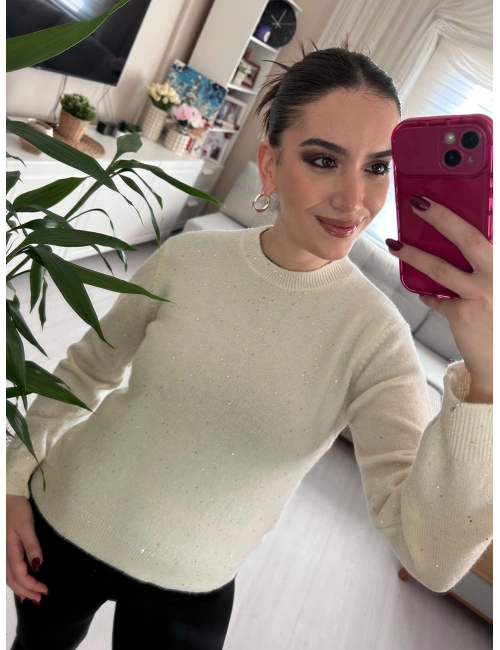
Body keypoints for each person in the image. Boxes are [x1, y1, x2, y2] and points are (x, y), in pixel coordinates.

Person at [6, 39, 494, 649]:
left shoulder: (379, 343)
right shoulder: (187, 258)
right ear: (269, 164)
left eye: (377, 167)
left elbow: (431, 558)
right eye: (324, 160)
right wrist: (13, 476)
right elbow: (84, 371)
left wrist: (486, 380)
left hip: (192, 584)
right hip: (64, 518)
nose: (355, 201)